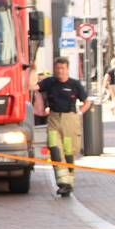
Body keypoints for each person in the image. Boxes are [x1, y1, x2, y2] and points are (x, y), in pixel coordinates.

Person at [37, 57, 92, 197]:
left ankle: (69, 183)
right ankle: (62, 183)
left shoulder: (75, 84)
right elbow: (34, 88)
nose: (59, 71)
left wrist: (79, 113)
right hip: (54, 119)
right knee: (54, 149)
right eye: (57, 69)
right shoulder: (49, 82)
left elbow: (87, 101)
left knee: (69, 152)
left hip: (70, 120)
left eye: (62, 68)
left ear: (67, 69)